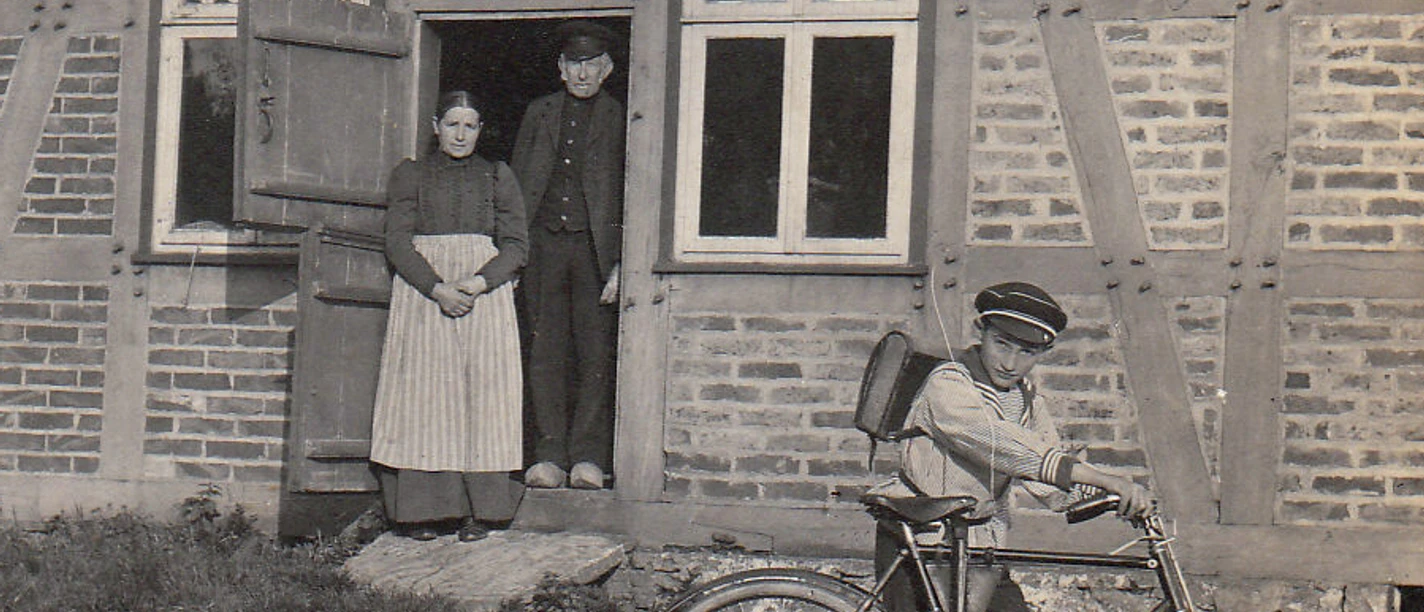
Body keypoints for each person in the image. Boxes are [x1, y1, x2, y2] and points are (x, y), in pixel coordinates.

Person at [869, 282, 1156, 612]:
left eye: (1026, 352)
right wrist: (1107, 480)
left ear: (1042, 353)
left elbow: (1048, 480)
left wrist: (1113, 497)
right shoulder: (948, 383)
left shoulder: (1027, 400)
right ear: (982, 333)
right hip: (920, 536)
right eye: (1001, 344)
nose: (1010, 363)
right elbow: (1004, 445)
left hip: (979, 544)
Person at [370, 90, 529, 542]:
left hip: (485, 295)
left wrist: (479, 283)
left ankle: (485, 510)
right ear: (436, 126)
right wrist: (437, 288)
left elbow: (517, 244)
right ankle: (425, 512)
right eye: (453, 124)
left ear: (480, 130)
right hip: (426, 294)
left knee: (484, 394)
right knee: (427, 398)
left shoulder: (497, 176)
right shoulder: (411, 175)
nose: (461, 134)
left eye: (471, 125)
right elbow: (397, 241)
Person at [511, 21, 626, 490]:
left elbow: (633, 192)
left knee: (594, 352)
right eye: (574, 64)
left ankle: (588, 458)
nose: (583, 74)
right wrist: (514, 251)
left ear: (608, 68)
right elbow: (517, 185)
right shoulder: (538, 113)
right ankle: (548, 454)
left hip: (595, 251)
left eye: (592, 65)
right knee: (545, 350)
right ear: (561, 68)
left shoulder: (622, 116)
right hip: (543, 246)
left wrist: (622, 262)